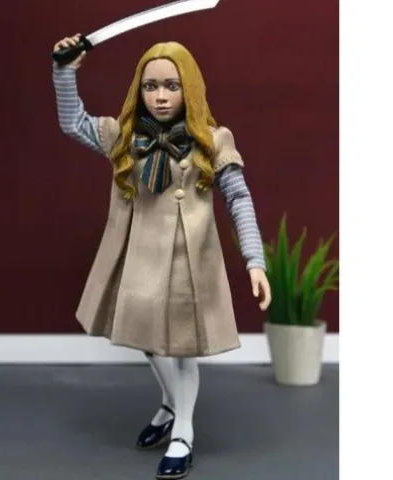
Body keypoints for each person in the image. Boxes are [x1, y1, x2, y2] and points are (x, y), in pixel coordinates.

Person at [52, 34, 271, 480]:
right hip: (138, 257)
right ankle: (171, 403)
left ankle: (183, 431)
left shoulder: (213, 139)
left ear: (189, 87)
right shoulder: (124, 135)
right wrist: (63, 71)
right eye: (151, 86)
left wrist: (254, 259)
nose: (161, 96)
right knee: (148, 341)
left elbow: (239, 196)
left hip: (186, 259)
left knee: (183, 348)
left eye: (172, 85)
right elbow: (73, 122)